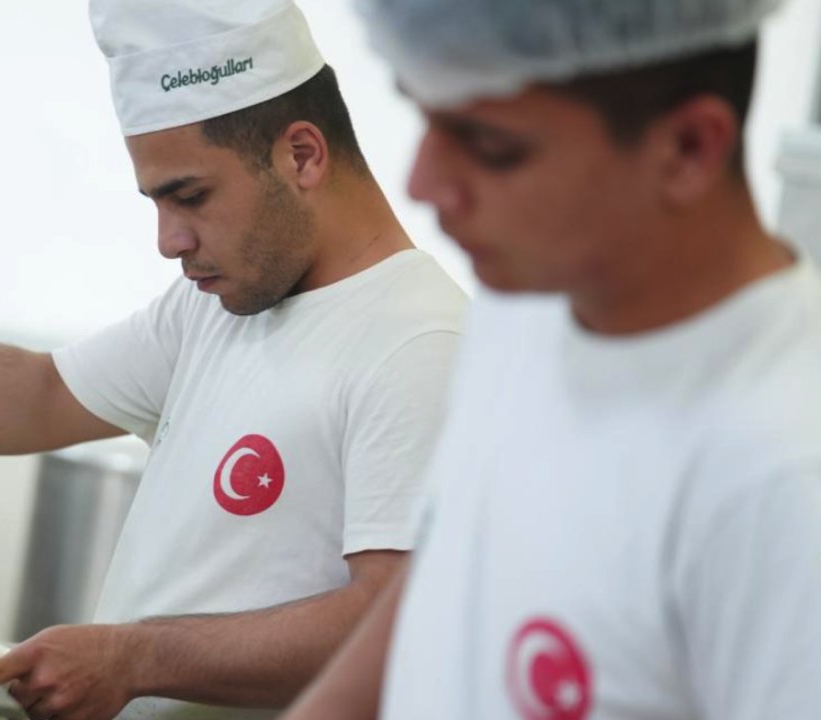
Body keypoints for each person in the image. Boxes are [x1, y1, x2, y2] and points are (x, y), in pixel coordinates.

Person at [0, 1, 466, 719]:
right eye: (157, 202)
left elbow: (396, 623)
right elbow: (42, 394)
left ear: (302, 155)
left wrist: (136, 657)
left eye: (191, 196)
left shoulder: (418, 345)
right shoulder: (219, 304)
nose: (169, 240)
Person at [283, 0, 821, 718]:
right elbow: (452, 560)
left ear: (689, 147)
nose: (422, 183)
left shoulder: (782, 479)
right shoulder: (531, 301)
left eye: (490, 146)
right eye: (426, 119)